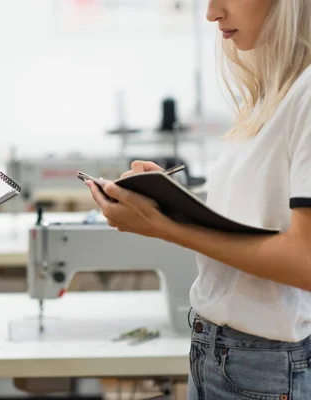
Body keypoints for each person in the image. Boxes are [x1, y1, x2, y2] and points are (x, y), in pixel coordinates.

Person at [86, 0, 311, 398]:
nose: (211, 13)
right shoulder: (272, 95)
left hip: (263, 363)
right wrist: (170, 200)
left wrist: (169, 227)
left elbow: (305, 262)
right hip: (220, 351)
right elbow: (259, 214)